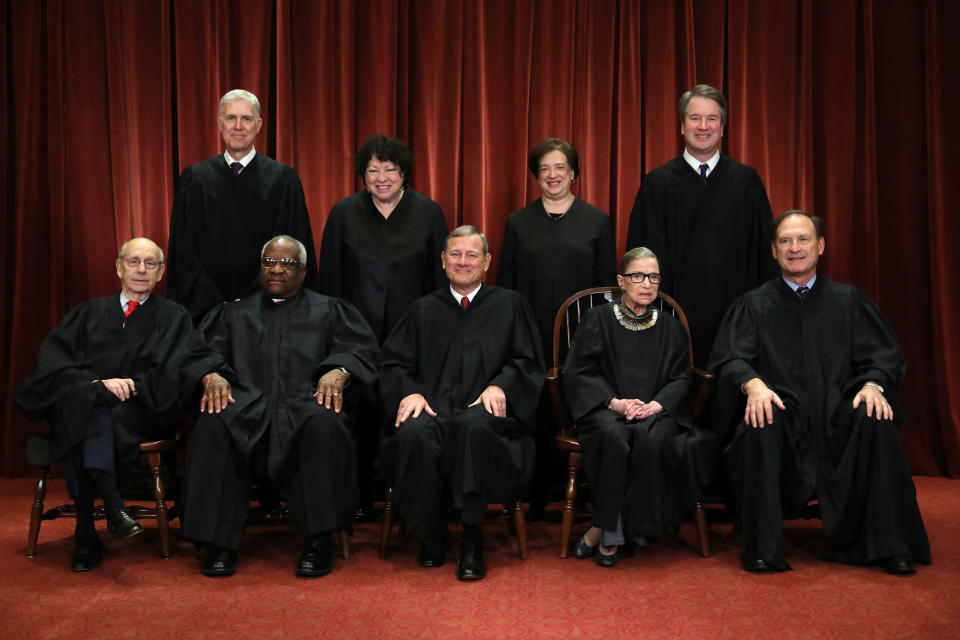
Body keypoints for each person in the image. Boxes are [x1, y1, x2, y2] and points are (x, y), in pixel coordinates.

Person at [709, 211, 931, 575]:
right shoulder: (754, 305)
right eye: (785, 241)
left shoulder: (849, 302)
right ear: (773, 250)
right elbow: (731, 358)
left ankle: (889, 545)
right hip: (782, 413)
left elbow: (884, 357)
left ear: (821, 246)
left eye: (803, 239)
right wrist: (754, 384)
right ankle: (762, 549)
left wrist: (874, 384)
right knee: (760, 421)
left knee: (874, 418)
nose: (794, 248)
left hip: (839, 416)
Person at [14, 238, 217, 571]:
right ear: (118, 267)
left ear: (161, 271)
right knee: (89, 405)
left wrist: (130, 387)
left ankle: (86, 533)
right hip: (89, 407)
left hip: (140, 413)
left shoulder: (174, 317)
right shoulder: (87, 313)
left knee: (87, 411)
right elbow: (53, 368)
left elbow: (172, 374)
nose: (141, 270)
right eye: (134, 261)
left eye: (149, 264)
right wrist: (96, 386)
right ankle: (112, 509)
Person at [182, 235, 379, 578]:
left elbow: (361, 350)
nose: (276, 269)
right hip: (244, 408)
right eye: (269, 262)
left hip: (304, 406)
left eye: (287, 263)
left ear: (303, 272)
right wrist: (211, 374)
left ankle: (318, 542)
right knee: (214, 422)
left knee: (324, 423)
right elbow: (200, 354)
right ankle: (219, 543)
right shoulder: (232, 313)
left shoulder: (331, 310)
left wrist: (340, 369)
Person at [379, 226, 544, 581]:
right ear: (442, 261)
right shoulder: (422, 310)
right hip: (433, 409)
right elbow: (393, 363)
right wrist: (410, 391)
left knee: (474, 427)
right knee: (414, 435)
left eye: (472, 255)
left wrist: (501, 385)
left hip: (486, 416)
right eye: (455, 254)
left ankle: (471, 539)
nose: (463, 262)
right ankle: (431, 534)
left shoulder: (510, 305)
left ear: (487, 261)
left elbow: (528, 362)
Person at [318, 134, 448, 518]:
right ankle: (359, 497)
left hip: (414, 333)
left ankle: (412, 497)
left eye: (388, 169)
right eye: (372, 171)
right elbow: (332, 280)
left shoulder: (428, 212)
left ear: (403, 172)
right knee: (359, 416)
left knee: (409, 411)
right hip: (357, 332)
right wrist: (338, 333)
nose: (381, 178)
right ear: (363, 175)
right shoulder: (344, 212)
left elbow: (439, 278)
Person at [561, 247, 715, 567]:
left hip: (655, 412)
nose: (647, 283)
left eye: (654, 276)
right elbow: (578, 372)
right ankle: (612, 534)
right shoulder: (597, 319)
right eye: (638, 276)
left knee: (650, 437)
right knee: (614, 437)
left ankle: (601, 529)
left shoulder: (671, 327)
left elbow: (682, 379)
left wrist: (656, 405)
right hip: (607, 409)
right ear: (621, 280)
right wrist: (615, 403)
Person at [498, 137, 617, 518]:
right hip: (530, 334)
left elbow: (606, 290)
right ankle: (532, 492)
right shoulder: (518, 222)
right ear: (536, 176)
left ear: (574, 174)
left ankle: (584, 492)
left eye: (560, 167)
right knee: (533, 409)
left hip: (581, 338)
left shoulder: (597, 221)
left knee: (579, 405)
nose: (552, 175)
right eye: (545, 169)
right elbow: (506, 284)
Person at [625, 84, 776, 367]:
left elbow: (765, 254)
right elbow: (640, 256)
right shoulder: (657, 184)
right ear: (682, 126)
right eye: (695, 118)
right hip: (672, 321)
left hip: (738, 320)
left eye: (712, 119)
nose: (703, 126)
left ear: (723, 127)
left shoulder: (746, 182)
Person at [167, 89, 319, 323]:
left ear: (258, 125)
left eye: (246, 119)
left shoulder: (283, 180)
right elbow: (183, 252)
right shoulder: (193, 180)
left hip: (269, 311)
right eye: (231, 118)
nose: (238, 126)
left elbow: (292, 250)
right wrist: (216, 304)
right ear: (219, 123)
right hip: (205, 314)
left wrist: (252, 298)